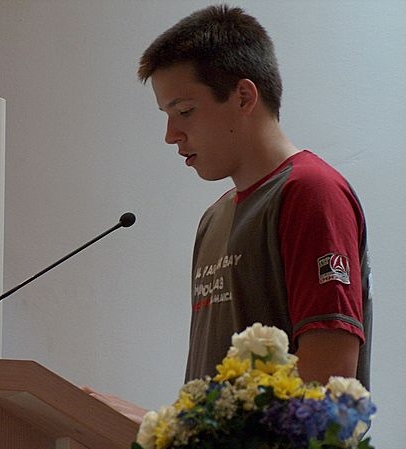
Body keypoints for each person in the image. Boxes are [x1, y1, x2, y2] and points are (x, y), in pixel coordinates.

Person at [86, 3, 372, 422]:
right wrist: (162, 429)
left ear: (243, 96)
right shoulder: (214, 219)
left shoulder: (311, 192)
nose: (171, 135)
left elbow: (325, 391)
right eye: (167, 116)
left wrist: (161, 429)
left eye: (185, 111)